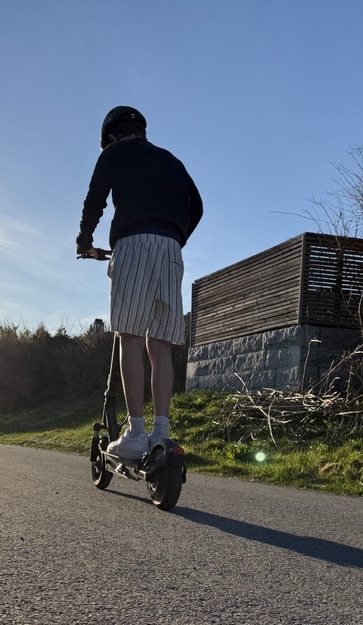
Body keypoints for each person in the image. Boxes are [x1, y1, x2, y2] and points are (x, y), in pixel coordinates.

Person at [77, 106, 203, 459]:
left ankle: (134, 434)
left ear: (112, 135)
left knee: (129, 336)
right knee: (160, 344)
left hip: (132, 245)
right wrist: (174, 235)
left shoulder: (113, 154)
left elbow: (95, 201)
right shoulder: (172, 161)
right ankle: (161, 433)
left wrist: (84, 242)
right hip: (171, 251)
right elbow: (199, 206)